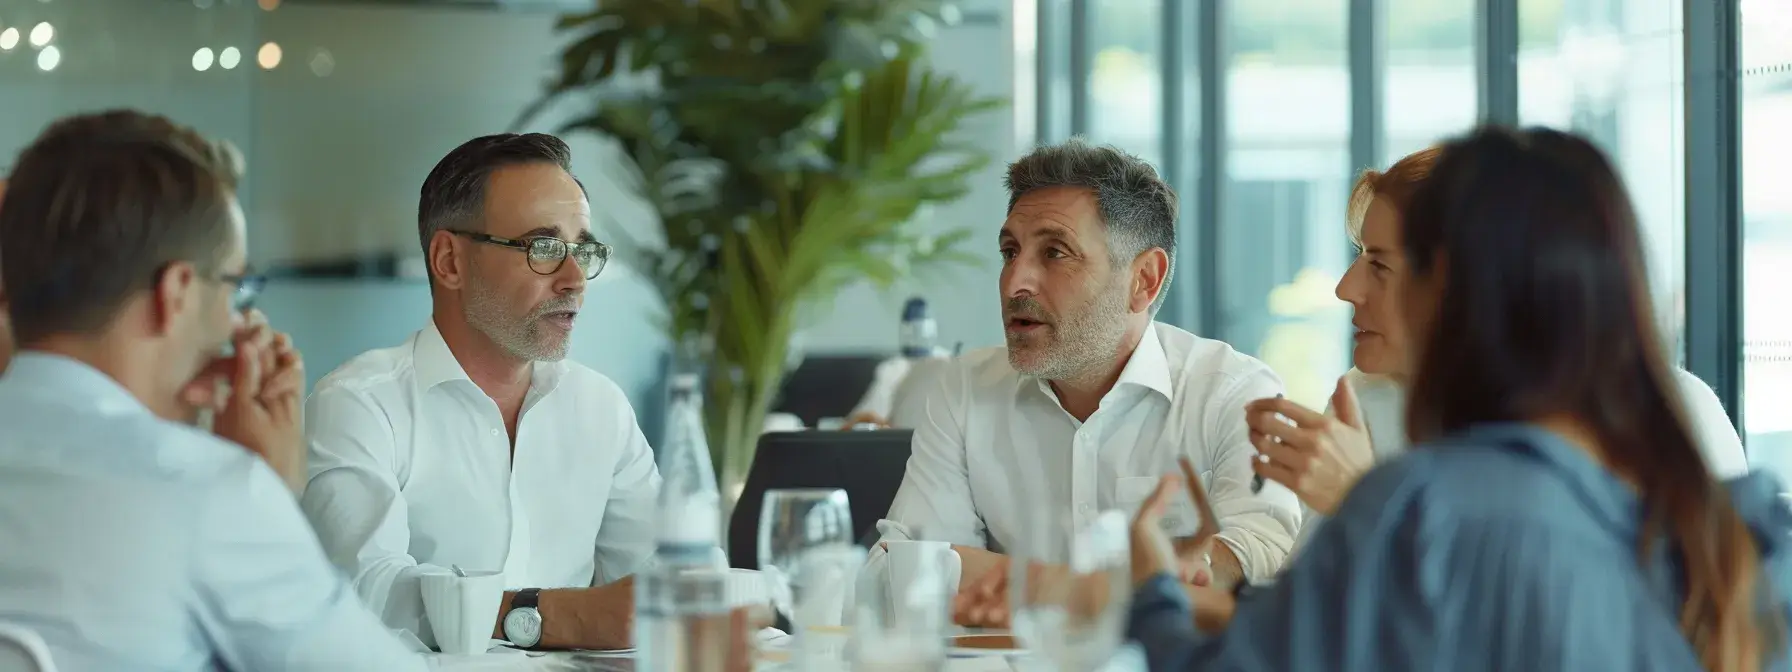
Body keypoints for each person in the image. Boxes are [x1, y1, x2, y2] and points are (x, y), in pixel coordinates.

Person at [1125, 126, 1792, 670]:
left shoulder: (1418, 501)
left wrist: (1154, 595)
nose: (1348, 289)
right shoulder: (1741, 522)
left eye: (1384, 264)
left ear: (1459, 289)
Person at [0, 110, 426, 670]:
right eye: (234, 287)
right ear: (175, 292)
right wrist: (268, 495)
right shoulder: (205, 492)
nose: (236, 322)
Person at [867, 138, 1301, 626]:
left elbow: (1262, 560)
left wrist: (1022, 586)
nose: (1015, 283)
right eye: (1010, 252)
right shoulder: (963, 389)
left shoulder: (1233, 393)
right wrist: (1098, 587)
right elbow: (898, 571)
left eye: (1055, 252)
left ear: (1144, 280)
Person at [1246, 145, 1750, 552]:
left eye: (1380, 266)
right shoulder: (1363, 405)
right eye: (1360, 257)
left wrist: (1365, 502)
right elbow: (1306, 628)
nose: (1345, 288)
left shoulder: (1674, 417)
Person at [300, 133, 660, 651]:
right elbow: (361, 596)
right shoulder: (360, 405)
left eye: (581, 249)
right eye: (544, 248)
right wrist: (558, 617)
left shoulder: (601, 407)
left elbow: (669, 583)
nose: (575, 278)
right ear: (449, 261)